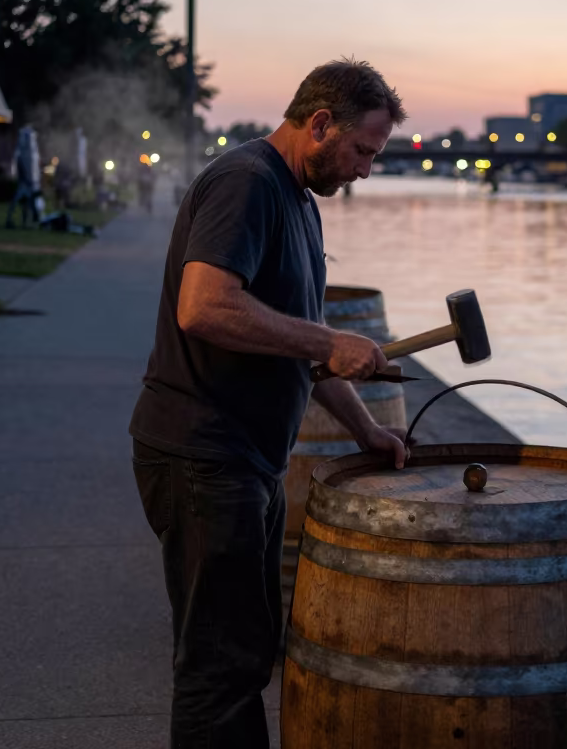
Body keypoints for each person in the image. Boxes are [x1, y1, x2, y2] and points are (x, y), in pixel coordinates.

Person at [128, 58, 408, 748]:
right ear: (319, 123)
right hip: (202, 457)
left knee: (249, 650)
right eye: (362, 150)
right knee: (219, 667)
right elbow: (204, 307)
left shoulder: (301, 205)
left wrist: (367, 430)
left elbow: (306, 351)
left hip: (245, 460)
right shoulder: (245, 182)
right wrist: (326, 336)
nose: (366, 169)